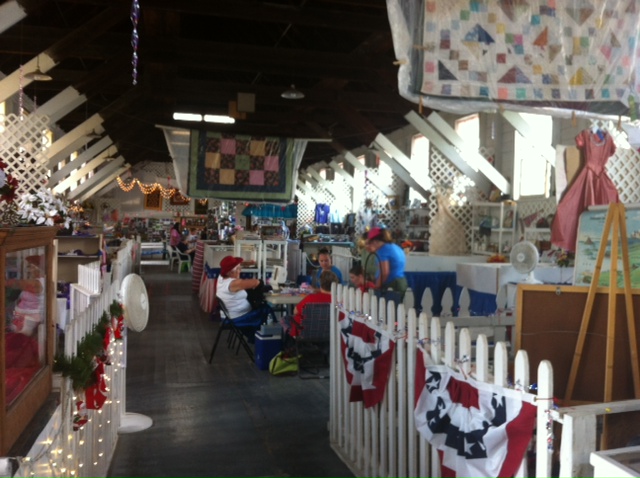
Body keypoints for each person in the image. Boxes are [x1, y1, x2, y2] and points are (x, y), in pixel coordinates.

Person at [216, 255, 273, 321]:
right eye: (238, 269)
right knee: (266, 307)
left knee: (255, 292)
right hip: (239, 318)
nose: (240, 271)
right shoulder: (233, 283)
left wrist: (246, 263)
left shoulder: (221, 278)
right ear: (231, 272)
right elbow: (257, 282)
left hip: (230, 315)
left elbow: (231, 266)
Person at [288, 270, 339, 338]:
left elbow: (295, 311)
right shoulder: (338, 301)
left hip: (306, 333)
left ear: (320, 283)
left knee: (286, 320)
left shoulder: (310, 298)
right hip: (330, 334)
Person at [6, 255, 45, 336]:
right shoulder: (34, 281)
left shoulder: (39, 283)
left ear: (38, 268)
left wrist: (5, 282)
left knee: (22, 339)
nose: (29, 270)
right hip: (21, 316)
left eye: (31, 267)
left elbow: (17, 284)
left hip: (30, 319)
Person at [365, 227, 408, 299]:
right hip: (400, 281)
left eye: (370, 243)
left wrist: (377, 286)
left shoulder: (383, 250)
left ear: (375, 241)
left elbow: (384, 273)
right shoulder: (395, 247)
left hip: (391, 284)